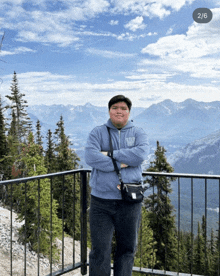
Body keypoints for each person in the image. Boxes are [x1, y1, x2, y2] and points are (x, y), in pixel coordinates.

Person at [85, 95, 149, 276]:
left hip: (130, 200)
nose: (119, 111)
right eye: (115, 107)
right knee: (100, 251)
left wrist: (109, 154)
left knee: (127, 249)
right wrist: (121, 163)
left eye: (123, 108)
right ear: (109, 111)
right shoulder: (97, 132)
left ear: (129, 111)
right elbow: (91, 157)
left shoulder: (138, 132)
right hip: (100, 201)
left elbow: (140, 155)